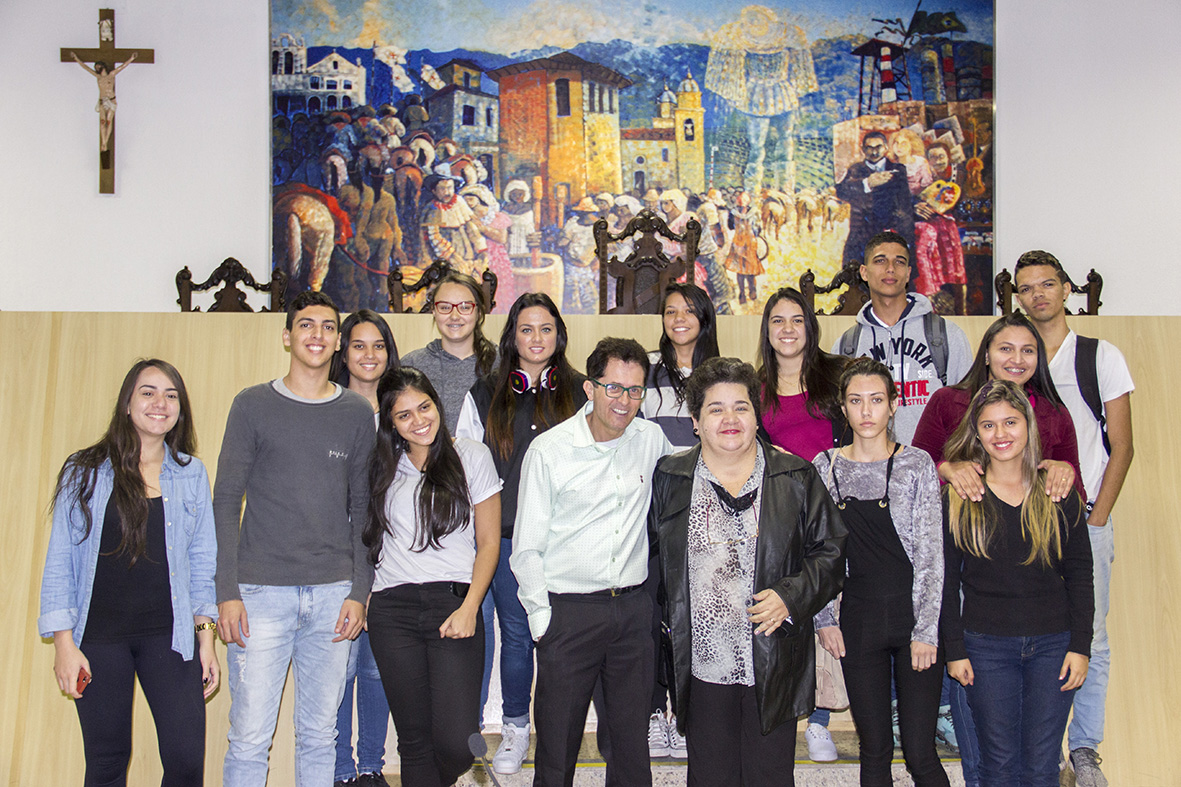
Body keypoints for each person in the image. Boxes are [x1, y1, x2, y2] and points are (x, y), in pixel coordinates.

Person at [649, 357, 846, 786]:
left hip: (772, 660)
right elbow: (653, 567)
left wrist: (790, 596)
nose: (730, 418)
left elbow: (831, 551)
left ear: (757, 418)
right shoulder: (671, 477)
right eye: (715, 409)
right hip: (701, 663)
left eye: (741, 407)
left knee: (769, 776)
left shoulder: (795, 475)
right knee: (710, 777)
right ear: (696, 422)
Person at [215, 291, 376, 786]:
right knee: (248, 737)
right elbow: (225, 499)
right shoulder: (252, 404)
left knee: (319, 734)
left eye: (328, 327)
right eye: (307, 325)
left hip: (333, 595)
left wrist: (359, 592)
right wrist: (227, 593)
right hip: (260, 595)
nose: (317, 335)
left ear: (337, 342)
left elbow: (363, 509)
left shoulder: (354, 413)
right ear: (288, 336)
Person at [39, 359, 218, 787]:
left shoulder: (191, 473)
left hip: (170, 638)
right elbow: (60, 561)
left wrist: (206, 640)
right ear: (127, 403)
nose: (161, 403)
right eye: (148, 392)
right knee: (106, 761)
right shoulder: (83, 471)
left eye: (171, 395)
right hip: (99, 639)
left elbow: (202, 563)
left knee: (186, 760)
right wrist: (64, 646)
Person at [511, 337, 673, 787]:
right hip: (569, 615)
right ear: (590, 388)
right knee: (558, 747)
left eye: (635, 391)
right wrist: (544, 620)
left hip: (633, 613)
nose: (625, 402)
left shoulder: (651, 438)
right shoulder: (550, 450)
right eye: (614, 388)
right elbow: (525, 547)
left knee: (629, 747)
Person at [1014, 250, 1135, 787]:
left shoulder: (1098, 355)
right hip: (1018, 523)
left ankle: (1084, 749)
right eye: (1026, 288)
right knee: (1029, 634)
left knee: (1091, 636)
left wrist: (1097, 517)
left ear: (1066, 289)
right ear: (1016, 298)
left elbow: (1123, 446)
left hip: (1084, 519)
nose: (1037, 294)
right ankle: (1036, 745)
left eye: (1047, 284)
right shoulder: (1013, 358)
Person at [454, 293, 587, 775]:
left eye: (546, 328)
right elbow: (465, 466)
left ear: (559, 335)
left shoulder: (579, 390)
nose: (536, 338)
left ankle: (536, 726)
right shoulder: (483, 392)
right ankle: (490, 727)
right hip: (499, 537)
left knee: (537, 634)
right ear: (511, 335)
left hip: (560, 540)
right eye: (526, 329)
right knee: (495, 635)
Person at [941, 381, 1093, 787]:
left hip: (1054, 647)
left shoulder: (1058, 492)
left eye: (1010, 422)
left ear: (1028, 425)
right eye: (988, 426)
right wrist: (954, 650)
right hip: (986, 647)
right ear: (976, 433)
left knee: (1042, 766)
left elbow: (1080, 574)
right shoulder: (960, 496)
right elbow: (944, 582)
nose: (1001, 434)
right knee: (999, 765)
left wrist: (1081, 645)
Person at [363, 367, 502, 787]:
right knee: (414, 741)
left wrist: (470, 607)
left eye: (424, 407)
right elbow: (366, 537)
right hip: (392, 610)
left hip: (453, 606)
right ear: (390, 422)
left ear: (437, 404)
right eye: (404, 415)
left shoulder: (472, 455)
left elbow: (490, 544)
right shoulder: (380, 467)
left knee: (456, 743)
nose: (418, 420)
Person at [813, 358, 948, 786]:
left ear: (894, 404)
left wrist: (926, 630)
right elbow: (815, 552)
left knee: (921, 754)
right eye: (856, 401)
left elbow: (931, 553)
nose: (866, 411)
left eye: (876, 400)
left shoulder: (917, 464)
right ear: (844, 407)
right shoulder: (826, 466)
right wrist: (824, 620)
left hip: (912, 621)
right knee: (874, 752)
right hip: (858, 621)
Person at [755, 285, 848, 760]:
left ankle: (821, 720)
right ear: (767, 330)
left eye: (796, 319)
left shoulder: (837, 377)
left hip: (836, 512)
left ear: (810, 327)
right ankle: (797, 711)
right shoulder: (756, 390)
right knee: (796, 609)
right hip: (783, 517)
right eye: (777, 321)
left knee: (832, 608)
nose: (787, 329)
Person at [637, 283, 720, 759]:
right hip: (650, 512)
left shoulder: (722, 372)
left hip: (708, 513)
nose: (678, 318)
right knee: (652, 616)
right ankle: (653, 712)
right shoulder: (646, 369)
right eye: (670, 311)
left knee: (695, 616)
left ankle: (687, 714)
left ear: (704, 318)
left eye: (689, 311)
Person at [329, 310, 400, 787]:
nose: (369, 355)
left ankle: (372, 768)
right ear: (343, 352)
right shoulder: (329, 409)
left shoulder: (402, 413)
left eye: (378, 345)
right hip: (337, 556)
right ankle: (338, 770)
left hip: (393, 558)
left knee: (376, 669)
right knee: (339, 669)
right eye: (358, 345)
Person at [913, 312, 1086, 504]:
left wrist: (1065, 472)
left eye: (1028, 351)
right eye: (1006, 349)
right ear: (986, 355)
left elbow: (1078, 497)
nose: (1017, 360)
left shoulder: (1055, 414)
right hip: (958, 526)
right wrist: (944, 470)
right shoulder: (947, 402)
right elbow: (914, 473)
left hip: (1030, 527)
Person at [833, 230, 973, 445]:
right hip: (870, 469)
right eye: (880, 261)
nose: (890, 268)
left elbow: (968, 411)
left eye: (899, 262)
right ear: (864, 272)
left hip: (934, 469)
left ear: (908, 273)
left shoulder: (947, 336)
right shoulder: (845, 346)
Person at [401, 272, 497, 434]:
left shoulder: (503, 362)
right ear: (433, 311)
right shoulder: (411, 365)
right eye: (445, 307)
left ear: (479, 312)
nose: (454, 316)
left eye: (465, 307)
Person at [836, 132, 915, 269]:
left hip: (891, 227)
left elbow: (904, 202)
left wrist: (903, 233)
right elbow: (841, 191)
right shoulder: (856, 170)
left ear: (885, 148)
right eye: (869, 148)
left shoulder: (897, 169)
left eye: (878, 147)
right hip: (863, 230)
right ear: (863, 149)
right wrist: (867, 183)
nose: (874, 152)